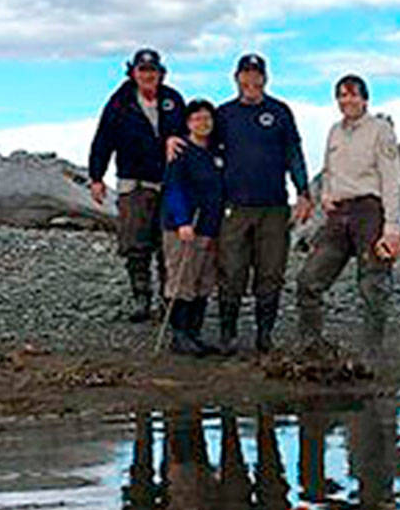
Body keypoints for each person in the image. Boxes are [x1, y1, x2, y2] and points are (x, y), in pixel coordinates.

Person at [296, 74, 400, 365]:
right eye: (342, 95)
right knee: (309, 281)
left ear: (365, 99)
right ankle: (311, 346)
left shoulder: (380, 130)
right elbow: (329, 170)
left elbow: (392, 180)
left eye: (353, 95)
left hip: (369, 211)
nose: (347, 100)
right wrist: (327, 195)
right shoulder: (334, 131)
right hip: (338, 215)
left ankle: (372, 355)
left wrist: (392, 229)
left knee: (372, 285)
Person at [210, 53, 312, 355]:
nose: (251, 81)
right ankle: (228, 334)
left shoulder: (279, 112)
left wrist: (303, 191)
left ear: (265, 79)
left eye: (257, 75)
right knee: (231, 271)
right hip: (235, 207)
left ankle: (264, 335)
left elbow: (294, 152)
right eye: (246, 75)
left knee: (270, 272)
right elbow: (207, 151)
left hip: (274, 207)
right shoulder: (224, 114)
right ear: (236, 78)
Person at [88, 48, 186, 323]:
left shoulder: (173, 99)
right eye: (142, 70)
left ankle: (170, 300)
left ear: (161, 73)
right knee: (136, 244)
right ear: (133, 72)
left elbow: (189, 134)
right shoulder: (119, 102)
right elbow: (103, 140)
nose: (148, 75)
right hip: (134, 182)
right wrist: (97, 177)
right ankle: (141, 297)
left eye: (152, 70)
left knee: (169, 243)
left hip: (169, 182)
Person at [160, 99, 222, 355]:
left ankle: (194, 333)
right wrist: (182, 220)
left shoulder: (217, 153)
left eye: (207, 118)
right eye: (197, 119)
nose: (203, 123)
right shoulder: (180, 152)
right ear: (188, 123)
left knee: (203, 281)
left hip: (210, 226)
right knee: (182, 279)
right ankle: (179, 335)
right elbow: (173, 189)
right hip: (185, 227)